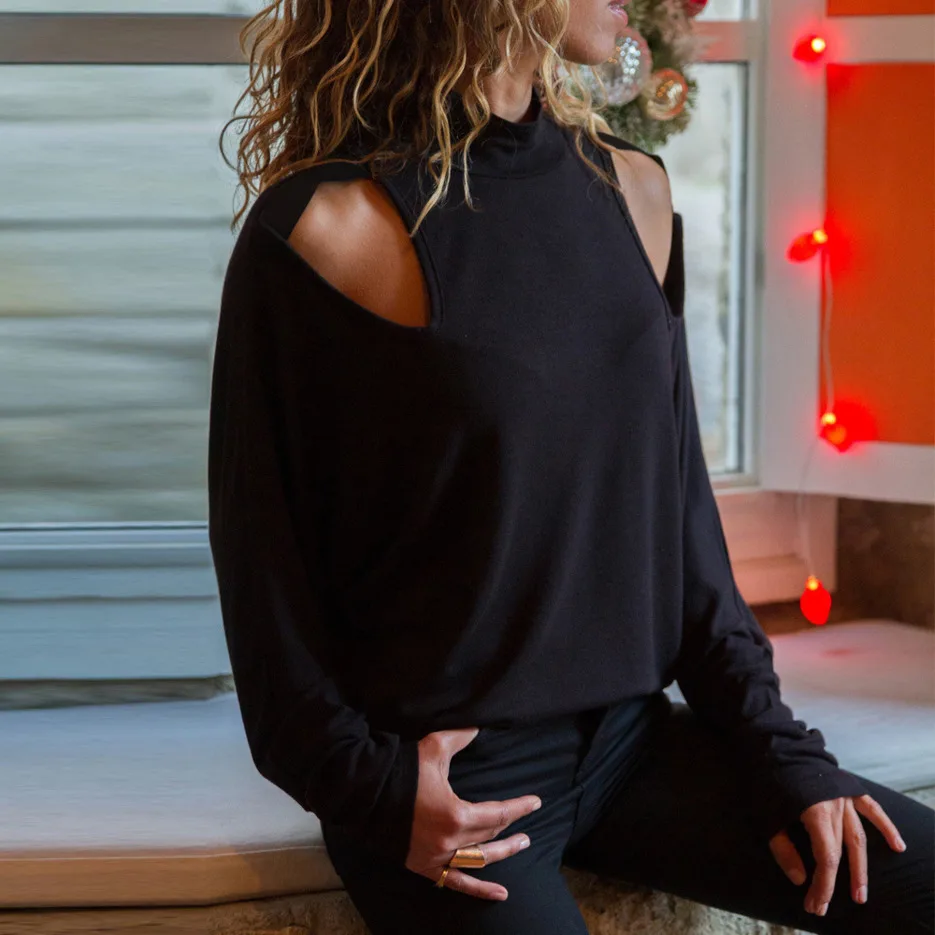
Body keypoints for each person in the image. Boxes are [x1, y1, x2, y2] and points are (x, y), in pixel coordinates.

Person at [207, 1, 935, 932]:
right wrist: (373, 792)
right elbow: (264, 574)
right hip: (450, 783)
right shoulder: (325, 227)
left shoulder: (634, 190)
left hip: (635, 742)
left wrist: (776, 749)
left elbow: (681, 524)